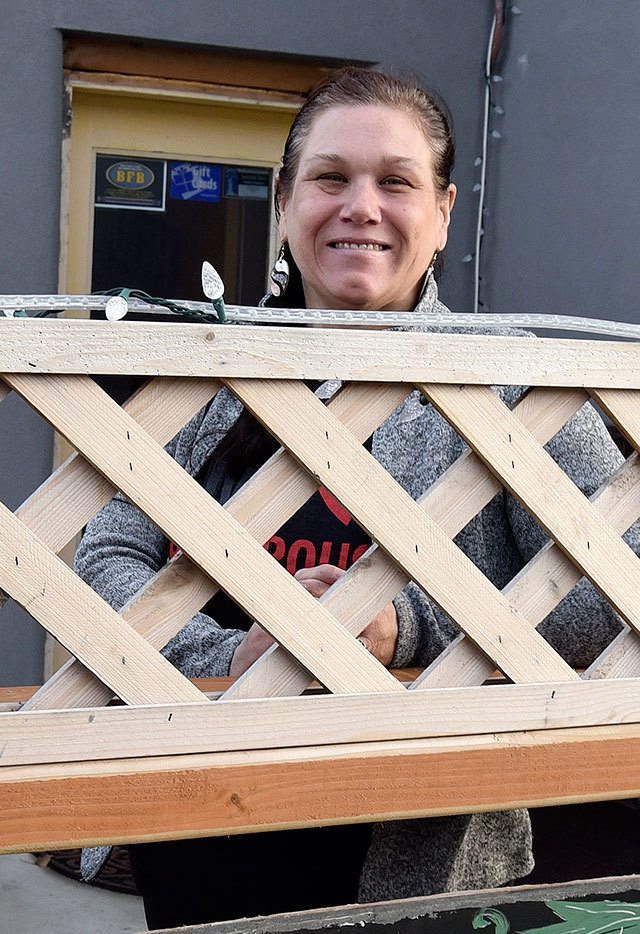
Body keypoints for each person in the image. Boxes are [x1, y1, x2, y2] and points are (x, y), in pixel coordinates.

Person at [75, 67, 632, 929]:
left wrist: (406, 629)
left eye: (396, 183)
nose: (361, 207)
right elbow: (105, 553)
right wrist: (225, 653)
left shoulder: (518, 386)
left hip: (421, 835)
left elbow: (614, 594)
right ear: (285, 204)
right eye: (331, 177)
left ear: (443, 213)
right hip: (203, 818)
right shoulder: (207, 379)